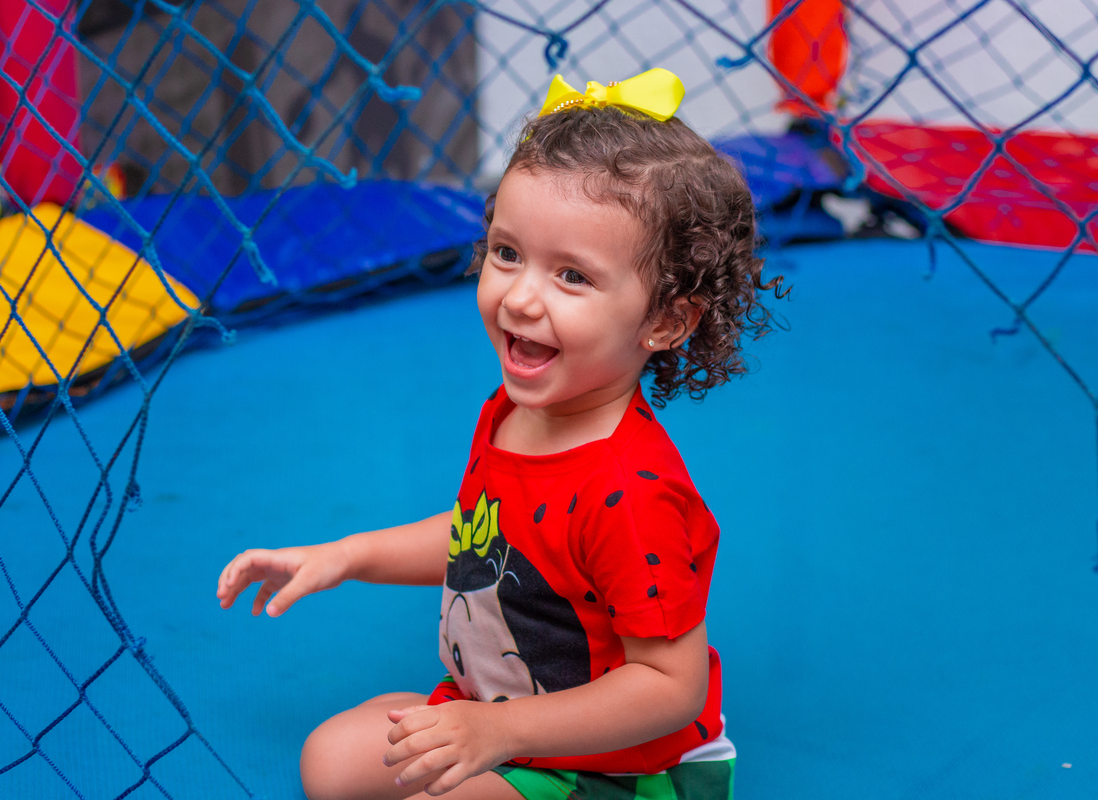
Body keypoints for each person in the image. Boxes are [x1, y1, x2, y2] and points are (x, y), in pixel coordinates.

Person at [216, 67, 786, 800]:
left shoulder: (628, 493)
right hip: (501, 716)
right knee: (330, 762)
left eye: (572, 277)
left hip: (618, 766)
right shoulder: (514, 413)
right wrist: (346, 555)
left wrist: (502, 736)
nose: (519, 296)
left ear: (666, 321)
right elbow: (487, 538)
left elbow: (669, 688)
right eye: (508, 253)